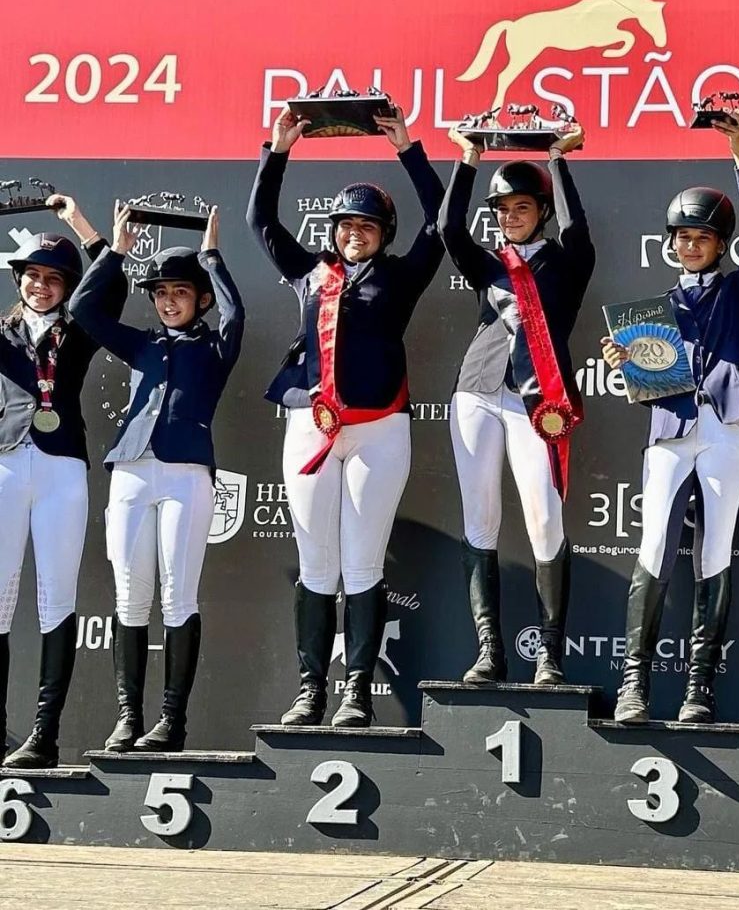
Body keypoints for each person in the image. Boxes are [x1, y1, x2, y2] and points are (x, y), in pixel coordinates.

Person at [247, 105, 444, 729]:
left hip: (379, 430)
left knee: (362, 561)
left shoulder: (403, 277)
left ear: (385, 231)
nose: (354, 231)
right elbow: (261, 221)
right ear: (332, 230)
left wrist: (409, 151)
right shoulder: (309, 273)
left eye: (366, 224)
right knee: (316, 563)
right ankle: (311, 691)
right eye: (345, 224)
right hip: (312, 425)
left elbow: (443, 221)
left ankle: (355, 691)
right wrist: (277, 152)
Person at [602, 111, 739, 724]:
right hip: (669, 433)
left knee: (716, 550)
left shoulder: (737, 288)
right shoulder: (656, 307)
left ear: (719, 244)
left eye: (700, 236)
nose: (689, 244)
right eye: (681, 236)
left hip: (725, 429)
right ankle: (633, 686)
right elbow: (643, 382)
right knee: (653, 548)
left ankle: (700, 689)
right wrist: (626, 362)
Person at [69, 203, 243, 753]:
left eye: (181, 292)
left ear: (201, 299)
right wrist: (116, 250)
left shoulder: (216, 346)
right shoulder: (141, 343)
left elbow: (237, 316)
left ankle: (171, 722)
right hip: (130, 475)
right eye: (161, 293)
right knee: (130, 596)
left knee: (177, 597)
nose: (169, 301)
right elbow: (83, 309)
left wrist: (212, 255)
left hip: (186, 474)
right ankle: (127, 718)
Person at [440, 122, 590, 687]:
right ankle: (489, 651)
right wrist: (468, 159)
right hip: (477, 393)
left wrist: (557, 160)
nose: (509, 216)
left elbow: (577, 228)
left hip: (539, 401)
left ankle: (549, 654)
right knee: (480, 519)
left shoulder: (567, 261)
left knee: (543, 520)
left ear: (542, 211)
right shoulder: (487, 264)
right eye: (501, 208)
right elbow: (448, 228)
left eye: (521, 207)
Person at [1, 196, 126, 769]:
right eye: (32, 276)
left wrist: (77, 219)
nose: (41, 287)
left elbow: (112, 278)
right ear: (18, 279)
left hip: (61, 468)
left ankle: (43, 733)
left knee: (56, 598)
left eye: (54, 279)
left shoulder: (80, 330)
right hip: (4, 463)